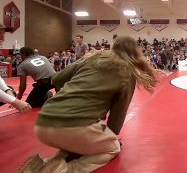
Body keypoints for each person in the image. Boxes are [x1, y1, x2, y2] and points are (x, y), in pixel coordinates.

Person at [19, 36, 159, 173]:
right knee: (113, 147)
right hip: (75, 125)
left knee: (77, 142)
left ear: (113, 47)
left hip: (44, 121)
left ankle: (47, 164)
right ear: (135, 52)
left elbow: (57, 79)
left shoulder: (93, 57)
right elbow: (116, 121)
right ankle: (66, 169)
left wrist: (82, 69)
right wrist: (109, 136)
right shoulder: (127, 71)